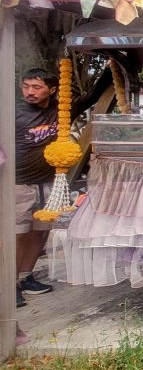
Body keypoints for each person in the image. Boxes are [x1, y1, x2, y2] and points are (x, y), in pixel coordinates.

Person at [15, 65, 110, 307]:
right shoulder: (13, 112)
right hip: (17, 183)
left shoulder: (62, 110)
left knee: (40, 232)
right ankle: (9, 284)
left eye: (37, 87)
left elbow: (92, 97)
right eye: (26, 87)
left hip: (48, 183)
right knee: (16, 234)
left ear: (52, 89)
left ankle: (26, 277)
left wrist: (111, 68)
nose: (30, 92)